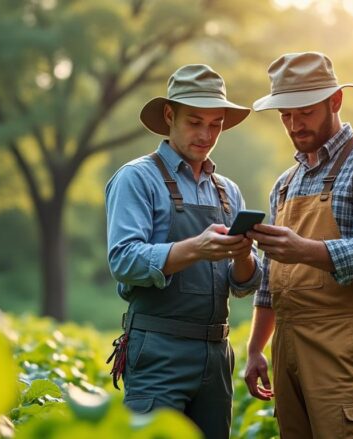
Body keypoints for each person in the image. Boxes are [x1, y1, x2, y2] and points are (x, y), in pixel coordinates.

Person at [243, 52, 353, 438]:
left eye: (305, 112)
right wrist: (255, 349)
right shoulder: (285, 182)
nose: (294, 125)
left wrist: (304, 250)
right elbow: (270, 278)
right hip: (287, 341)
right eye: (285, 115)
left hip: (344, 339)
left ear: (335, 102)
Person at [105, 64, 262, 439]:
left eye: (216, 124)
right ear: (170, 116)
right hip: (158, 351)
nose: (206, 134)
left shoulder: (228, 191)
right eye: (195, 122)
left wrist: (242, 255)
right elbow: (123, 259)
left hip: (217, 356)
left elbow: (243, 286)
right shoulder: (136, 178)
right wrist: (196, 248)